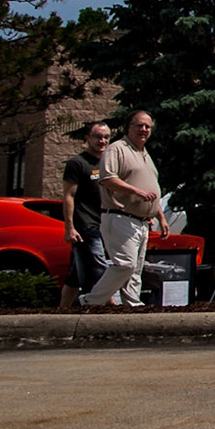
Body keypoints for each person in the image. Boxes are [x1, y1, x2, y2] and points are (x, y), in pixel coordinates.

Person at [80, 111, 168, 307]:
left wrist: (160, 217)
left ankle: (132, 305)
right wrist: (137, 192)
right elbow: (107, 179)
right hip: (120, 217)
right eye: (139, 125)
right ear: (128, 127)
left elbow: (152, 187)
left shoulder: (145, 154)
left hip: (142, 222)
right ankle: (90, 301)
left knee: (135, 270)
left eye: (148, 126)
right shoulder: (117, 149)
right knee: (125, 265)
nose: (144, 130)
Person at [57, 121, 111, 309]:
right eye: (98, 137)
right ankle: (111, 307)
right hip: (85, 225)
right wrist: (69, 227)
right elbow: (69, 196)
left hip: (105, 222)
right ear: (87, 138)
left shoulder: (108, 163)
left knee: (75, 274)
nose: (102, 141)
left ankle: (62, 311)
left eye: (106, 137)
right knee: (100, 266)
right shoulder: (77, 164)